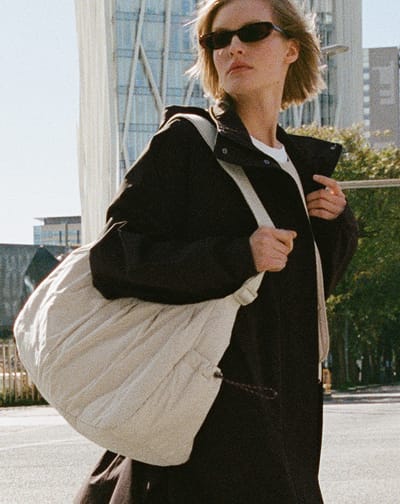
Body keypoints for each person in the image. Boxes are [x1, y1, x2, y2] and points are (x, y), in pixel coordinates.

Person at [75, 0, 358, 502]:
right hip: (206, 417)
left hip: (288, 416)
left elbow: (303, 296)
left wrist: (336, 225)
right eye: (218, 39)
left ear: (292, 48)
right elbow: (114, 257)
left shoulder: (299, 166)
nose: (233, 48)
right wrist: (237, 255)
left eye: (253, 32)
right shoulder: (188, 144)